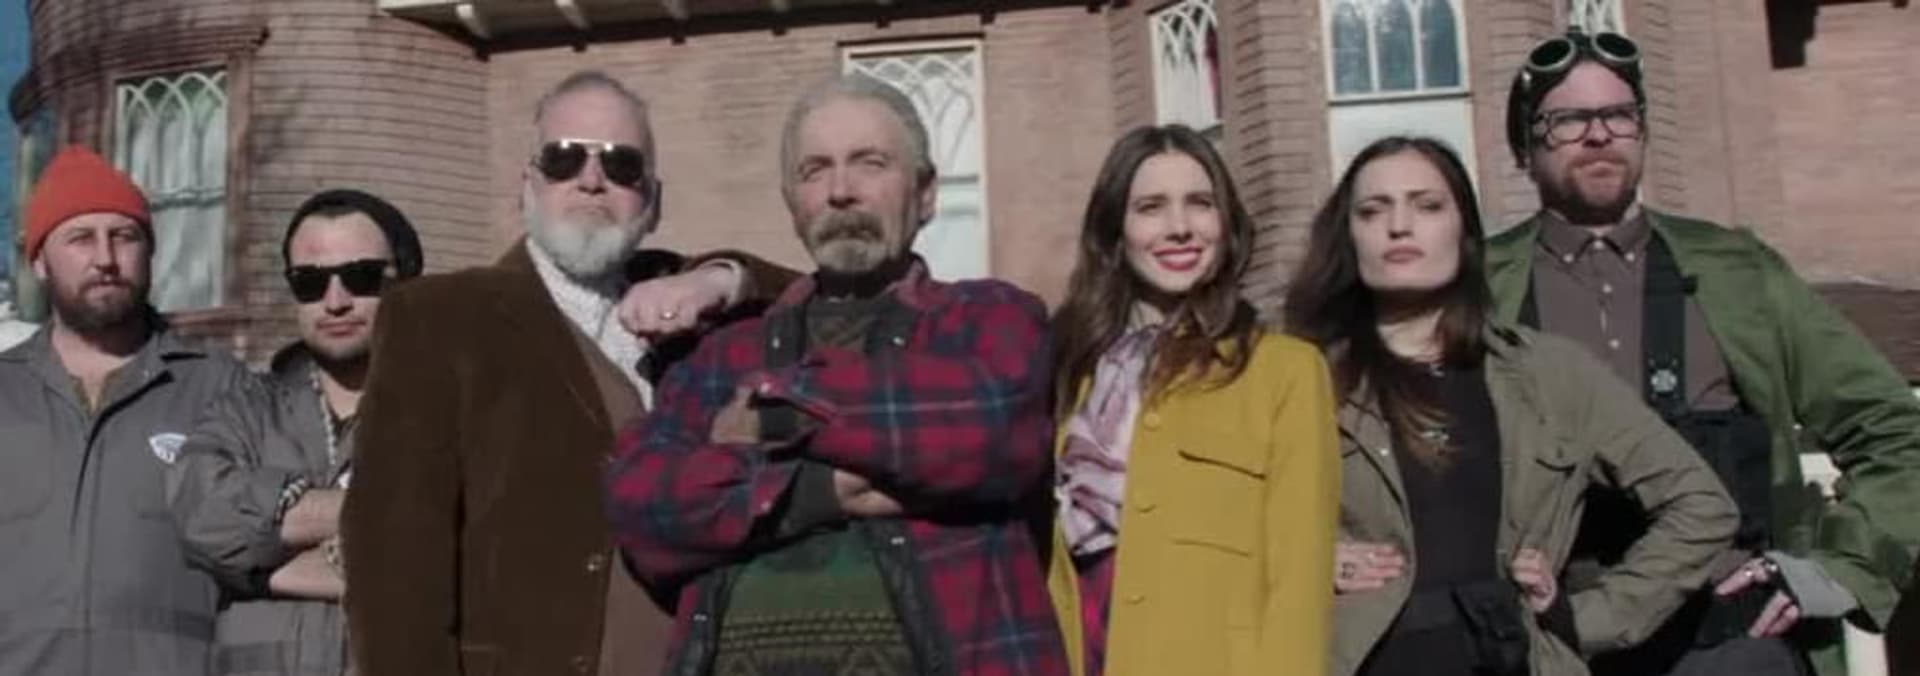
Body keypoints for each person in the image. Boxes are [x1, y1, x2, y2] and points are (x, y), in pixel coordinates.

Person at [1489, 28, 1920, 676]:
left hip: (1731, 644)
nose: (1599, 135)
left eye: (1618, 114)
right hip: (1550, 648)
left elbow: (1894, 429)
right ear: (1525, 148)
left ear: (1642, 131)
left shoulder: (1738, 273)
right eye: (1568, 120)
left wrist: (1843, 568)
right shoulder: (1477, 289)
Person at [605, 74, 1067, 676]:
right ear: (792, 202)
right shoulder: (722, 351)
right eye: (815, 170)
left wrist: (773, 413)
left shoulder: (987, 317)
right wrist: (821, 491)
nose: (841, 191)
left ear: (926, 193)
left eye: (870, 163)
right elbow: (644, 505)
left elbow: (993, 428)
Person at [340, 71, 795, 676]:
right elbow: (393, 565)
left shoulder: (694, 309)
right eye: (563, 159)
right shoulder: (440, 317)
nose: (591, 179)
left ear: (654, 201)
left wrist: (723, 277)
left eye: (622, 165)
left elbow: (828, 303)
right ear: (526, 185)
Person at [1284, 135, 1739, 676]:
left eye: (1427, 206)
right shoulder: (1296, 379)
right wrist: (1301, 562)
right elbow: (1218, 535)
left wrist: (1588, 619)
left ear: (1464, 232)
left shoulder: (1550, 374)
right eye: (1372, 210)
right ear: (1349, 237)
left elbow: (1702, 505)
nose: (1399, 226)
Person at [1041, 124, 1340, 676]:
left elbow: (1299, 581)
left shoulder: (1286, 372)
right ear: (1115, 231)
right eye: (1150, 207)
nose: (1179, 227)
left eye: (1200, 203)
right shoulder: (1066, 369)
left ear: (1227, 225)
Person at [0, 146, 250, 674]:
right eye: (80, 238)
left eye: (125, 236)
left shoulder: (221, 388)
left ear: (149, 253)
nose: (106, 259)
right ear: (40, 262)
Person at [168, 189, 425, 675]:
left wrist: (256, 569)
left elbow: (470, 549)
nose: (335, 301)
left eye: (362, 277)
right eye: (309, 282)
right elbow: (199, 515)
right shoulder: (246, 411)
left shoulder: (455, 411)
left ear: (408, 283)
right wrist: (377, 522)